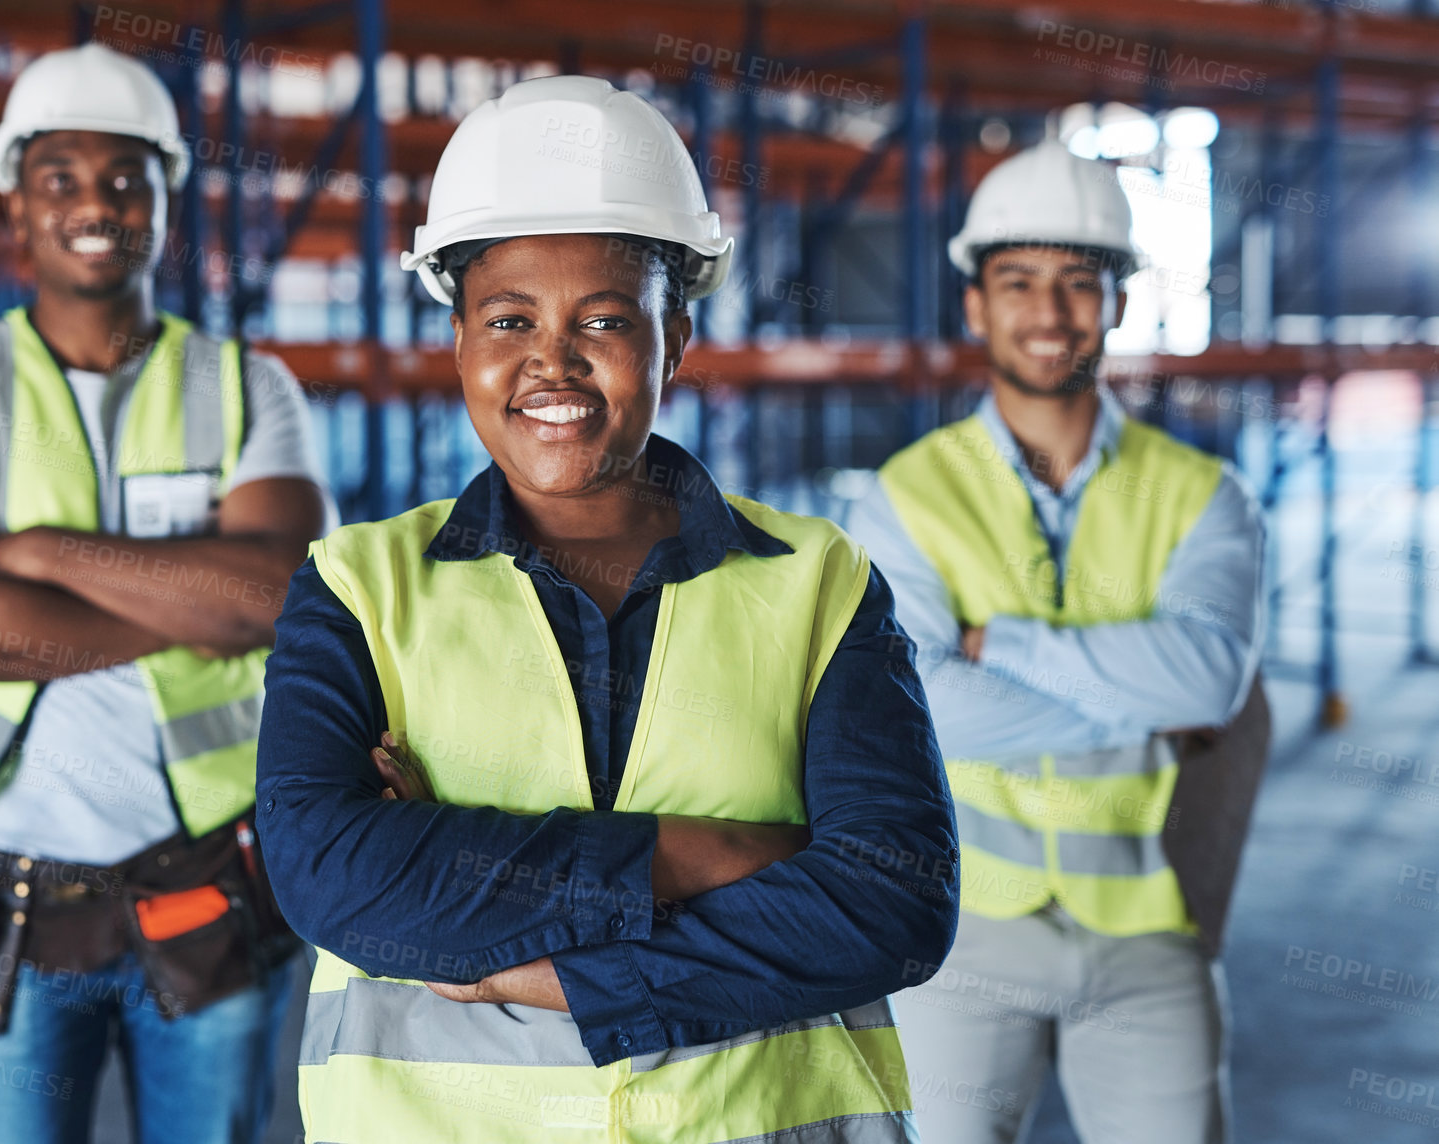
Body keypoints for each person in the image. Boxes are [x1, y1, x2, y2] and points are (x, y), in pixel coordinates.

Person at [255, 74, 958, 1144]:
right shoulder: (359, 584)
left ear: (676, 340)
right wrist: (712, 850)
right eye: (508, 318)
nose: (552, 360)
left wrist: (557, 972)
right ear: (458, 343)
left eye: (604, 319)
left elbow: (891, 905)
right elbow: (332, 878)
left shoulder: (818, 580)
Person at [0, 43, 329, 1144]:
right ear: (16, 209)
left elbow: (278, 598)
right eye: (59, 178)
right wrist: (191, 602)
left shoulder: (247, 385)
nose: (95, 203)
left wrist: (33, 550)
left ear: (165, 201)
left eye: (125, 178)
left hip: (208, 887)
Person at [848, 139, 1267, 1143]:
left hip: (1150, 934)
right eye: (1019, 280)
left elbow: (1208, 679)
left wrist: (1007, 644)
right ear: (976, 305)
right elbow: (925, 713)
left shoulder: (1202, 495)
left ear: (1117, 301)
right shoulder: (904, 496)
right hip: (960, 932)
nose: (1050, 312)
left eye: (1080, 282)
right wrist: (1139, 701)